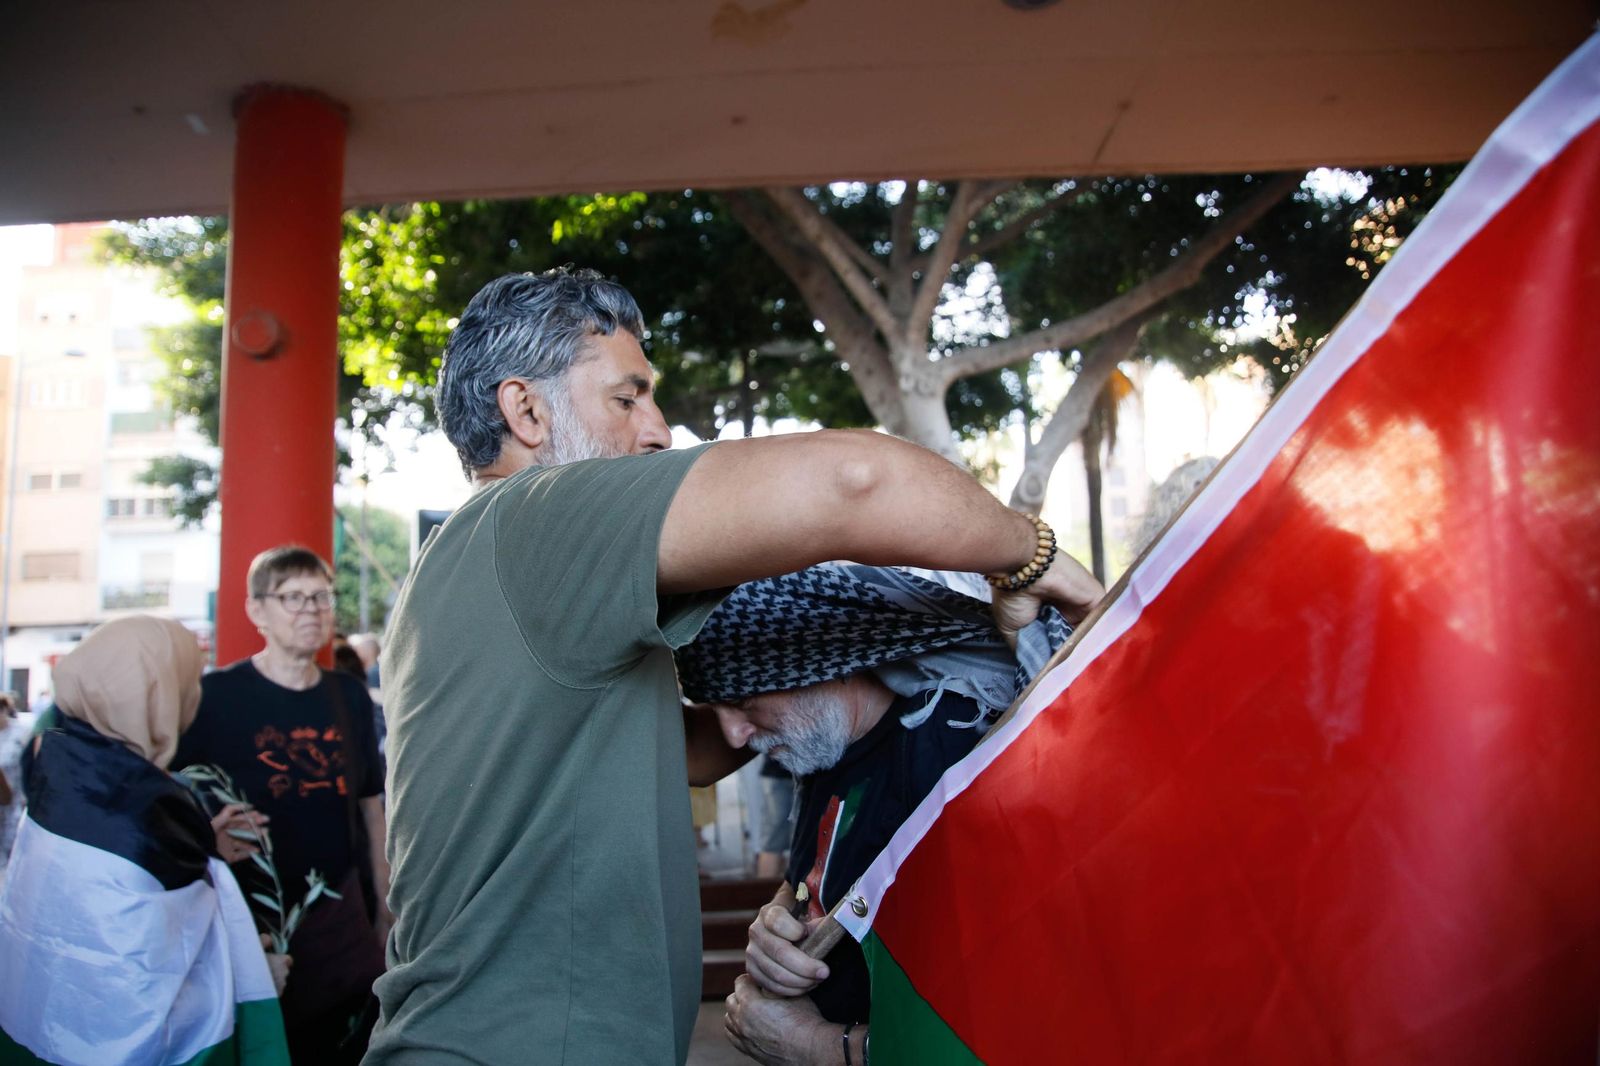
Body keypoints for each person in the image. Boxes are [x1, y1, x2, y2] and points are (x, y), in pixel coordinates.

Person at [368, 267, 1102, 1065]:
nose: (656, 430)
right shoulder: (532, 524)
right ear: (527, 411)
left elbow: (696, 747)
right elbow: (859, 479)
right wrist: (1033, 561)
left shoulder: (466, 580)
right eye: (627, 398)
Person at [674, 563, 1068, 1064]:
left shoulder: (949, 752)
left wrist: (817, 1047)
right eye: (715, 709)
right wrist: (777, 922)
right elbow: (821, 875)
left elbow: (1002, 1011)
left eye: (745, 701)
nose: (732, 736)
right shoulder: (825, 747)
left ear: (827, 664)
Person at [0, 616, 292, 1064]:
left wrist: (203, 850)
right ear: (157, 695)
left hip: (42, 1021)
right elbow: (174, 974)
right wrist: (251, 965)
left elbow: (98, 905)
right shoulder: (152, 806)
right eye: (187, 681)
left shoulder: (58, 760)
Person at [174, 546, 389, 1065]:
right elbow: (167, 791)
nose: (312, 609)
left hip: (338, 913)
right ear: (256, 610)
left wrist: (383, 907)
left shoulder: (348, 696)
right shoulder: (214, 695)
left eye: (321, 596)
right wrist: (206, 835)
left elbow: (370, 808)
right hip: (250, 918)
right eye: (293, 597)